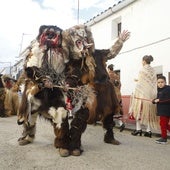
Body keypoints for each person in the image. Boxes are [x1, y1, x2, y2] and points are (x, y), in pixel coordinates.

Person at [129, 55, 159, 137]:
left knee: (138, 111)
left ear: (144, 61)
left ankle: (138, 129)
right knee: (148, 113)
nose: (141, 62)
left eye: (142, 61)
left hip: (142, 95)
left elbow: (140, 84)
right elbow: (151, 83)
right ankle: (148, 131)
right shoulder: (153, 70)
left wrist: (136, 92)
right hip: (151, 96)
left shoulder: (142, 70)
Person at [107, 64, 125, 132]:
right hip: (118, 95)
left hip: (111, 95)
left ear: (108, 69)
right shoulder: (117, 75)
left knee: (110, 110)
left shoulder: (108, 75)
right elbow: (120, 84)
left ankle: (111, 125)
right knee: (118, 109)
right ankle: (120, 124)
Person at [152, 75, 170, 144]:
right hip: (162, 110)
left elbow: (168, 99)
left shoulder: (168, 89)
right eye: (158, 82)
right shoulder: (159, 90)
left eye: (162, 82)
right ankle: (163, 137)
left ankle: (164, 138)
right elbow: (157, 99)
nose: (160, 84)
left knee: (163, 124)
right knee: (164, 124)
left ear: (165, 82)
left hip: (166, 110)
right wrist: (154, 101)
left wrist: (159, 100)